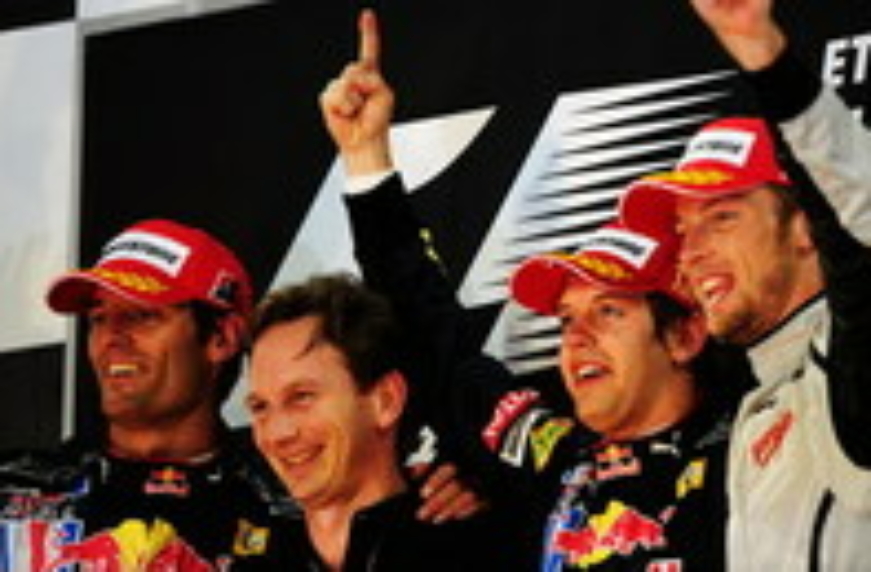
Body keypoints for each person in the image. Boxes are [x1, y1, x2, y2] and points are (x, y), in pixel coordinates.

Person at [319, 9, 744, 569]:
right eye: (566, 319)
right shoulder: (551, 451)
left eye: (609, 311)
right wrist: (366, 158)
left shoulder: (752, 459)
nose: (576, 338)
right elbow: (432, 338)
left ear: (685, 335)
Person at [615, 1, 871, 568]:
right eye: (684, 230)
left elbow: (859, 222)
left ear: (806, 227)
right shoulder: (755, 407)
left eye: (722, 217)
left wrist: (767, 58)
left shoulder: (848, 358)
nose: (691, 251)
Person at [0, 218, 287, 570]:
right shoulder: (13, 491)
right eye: (99, 319)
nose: (111, 338)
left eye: (141, 315)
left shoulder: (292, 510)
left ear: (221, 339)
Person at [244, 273, 508, 571]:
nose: (278, 433)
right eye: (260, 407)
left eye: (302, 397)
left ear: (386, 400)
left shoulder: (470, 552)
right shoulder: (248, 557)